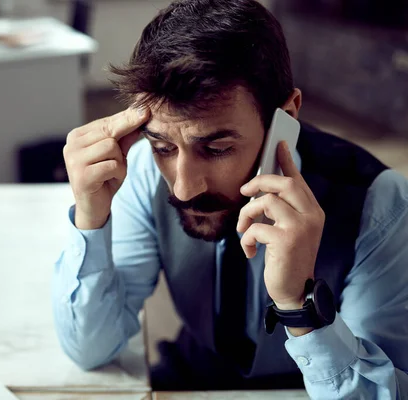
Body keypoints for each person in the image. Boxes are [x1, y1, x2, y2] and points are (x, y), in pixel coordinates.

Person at [51, 0, 408, 397]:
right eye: (163, 146)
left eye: (217, 148)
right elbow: (91, 350)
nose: (184, 189)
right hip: (191, 381)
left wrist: (297, 304)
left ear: (286, 115)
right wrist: (90, 216)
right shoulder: (142, 170)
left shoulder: (381, 204)